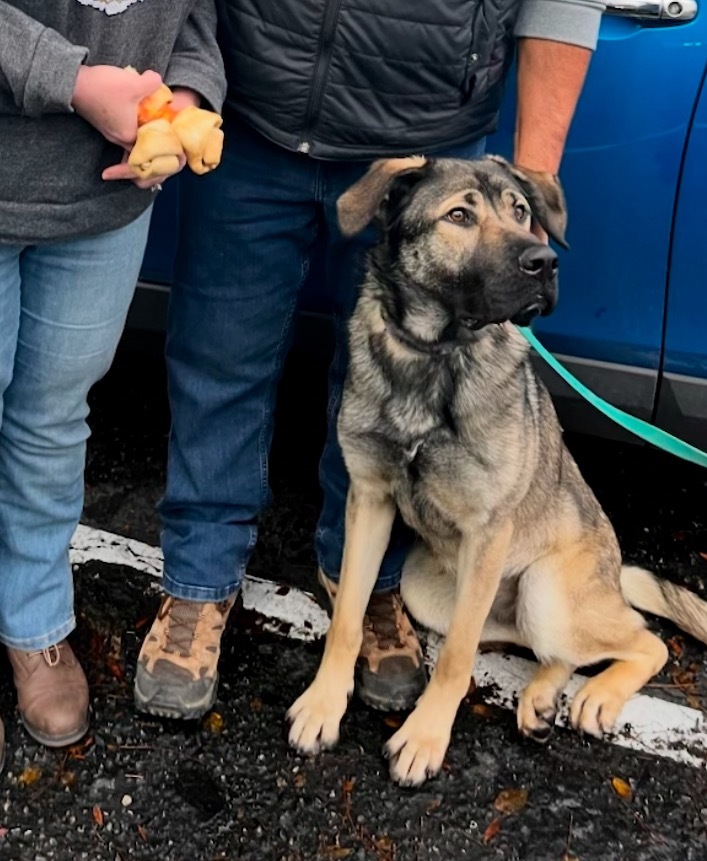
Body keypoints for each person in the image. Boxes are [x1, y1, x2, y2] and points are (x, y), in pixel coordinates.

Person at [134, 0, 606, 720]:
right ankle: (198, 581)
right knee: (217, 361)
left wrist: (525, 196)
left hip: (427, 155)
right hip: (258, 118)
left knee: (393, 384)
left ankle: (374, 579)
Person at [0, 0, 225, 760]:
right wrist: (70, 81)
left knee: (52, 417)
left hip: (105, 203)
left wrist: (185, 98)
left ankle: (35, 624)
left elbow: (196, 15)